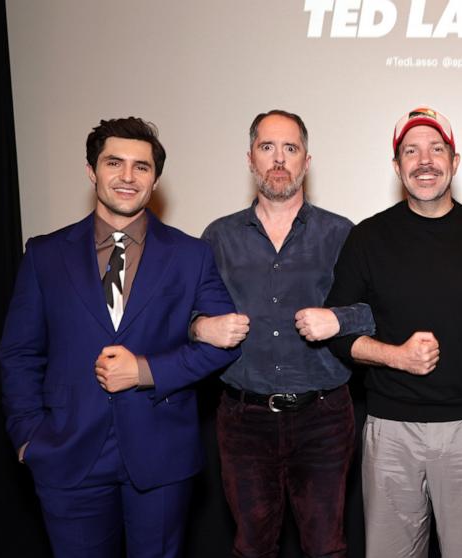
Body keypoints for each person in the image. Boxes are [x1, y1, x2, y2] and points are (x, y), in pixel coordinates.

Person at [0, 117, 240, 557]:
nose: (128, 177)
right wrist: (27, 435)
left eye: (142, 167)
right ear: (92, 171)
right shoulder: (45, 255)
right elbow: (19, 353)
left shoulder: (190, 255)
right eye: (115, 163)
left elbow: (224, 343)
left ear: (156, 179)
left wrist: (145, 371)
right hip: (66, 450)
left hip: (161, 454)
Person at [324, 106, 462, 558]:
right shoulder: (367, 238)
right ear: (397, 168)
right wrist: (395, 356)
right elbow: (335, 331)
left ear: (456, 161)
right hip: (391, 430)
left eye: (437, 149)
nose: (425, 160)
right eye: (411, 151)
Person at [190, 109, 375, 558]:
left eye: (290, 149)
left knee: (325, 547)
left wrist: (339, 320)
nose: (279, 159)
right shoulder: (218, 236)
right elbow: (183, 315)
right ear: (250, 159)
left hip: (324, 417)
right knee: (252, 547)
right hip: (243, 419)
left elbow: (374, 312)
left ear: (306, 161)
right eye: (267, 148)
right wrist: (201, 327)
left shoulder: (342, 233)